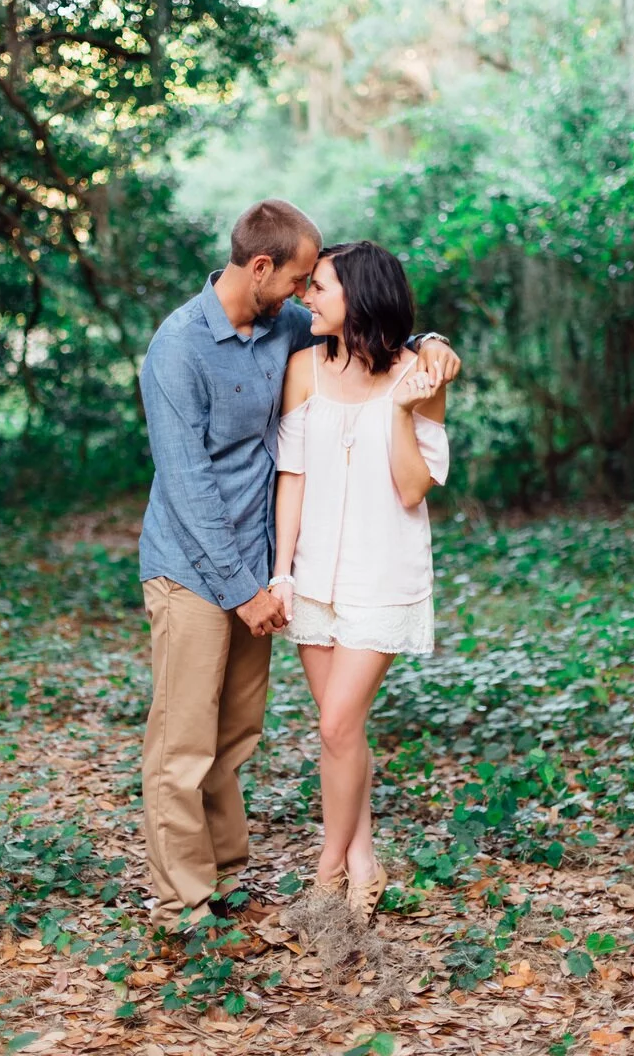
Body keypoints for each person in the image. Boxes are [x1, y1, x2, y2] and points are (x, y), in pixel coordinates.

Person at [138, 202, 459, 941]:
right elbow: (186, 486)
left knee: (237, 735)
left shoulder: (285, 324)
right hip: (197, 569)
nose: (306, 290)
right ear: (262, 270)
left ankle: (222, 879)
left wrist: (435, 346)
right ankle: (181, 909)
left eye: (316, 282)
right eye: (300, 278)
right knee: (184, 743)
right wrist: (252, 587)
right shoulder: (180, 348)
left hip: (266, 570)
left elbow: (379, 333)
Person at [270, 240, 449, 926]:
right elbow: (293, 478)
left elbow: (411, 487)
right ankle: (365, 859)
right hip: (313, 577)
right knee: (339, 735)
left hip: (384, 577)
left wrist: (403, 411)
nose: (305, 297)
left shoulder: (422, 374)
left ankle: (325, 875)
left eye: (319, 287)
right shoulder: (303, 369)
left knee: (337, 722)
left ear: (359, 296)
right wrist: (283, 573)